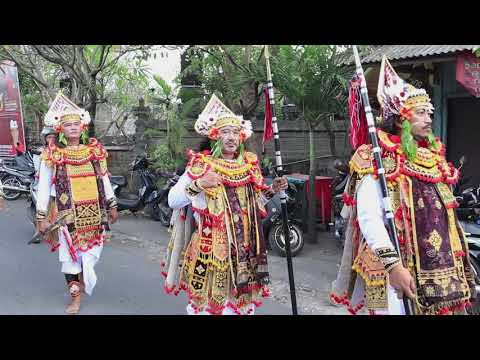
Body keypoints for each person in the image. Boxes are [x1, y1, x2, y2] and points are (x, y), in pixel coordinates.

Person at [330, 57, 476, 315]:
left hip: (437, 269)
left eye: (430, 112)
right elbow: (369, 218)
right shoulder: (375, 157)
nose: (429, 118)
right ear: (400, 119)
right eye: (421, 112)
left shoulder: (432, 159)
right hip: (391, 267)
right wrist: (394, 266)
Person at [162, 94, 288, 315]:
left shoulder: (248, 167)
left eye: (235, 133)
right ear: (215, 136)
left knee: (240, 307)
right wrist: (200, 183)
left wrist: (271, 191)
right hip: (211, 251)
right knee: (209, 309)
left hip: (244, 250)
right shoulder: (202, 165)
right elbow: (173, 200)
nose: (231, 137)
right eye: (225, 132)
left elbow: (251, 206)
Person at [36, 92, 118, 314]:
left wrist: (112, 204)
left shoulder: (94, 152)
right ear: (61, 129)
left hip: (94, 214)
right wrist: (41, 217)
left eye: (76, 124)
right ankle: (75, 299)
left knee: (90, 255)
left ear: (82, 128)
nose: (73, 127)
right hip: (67, 215)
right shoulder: (53, 155)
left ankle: (81, 278)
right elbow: (43, 186)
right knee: (70, 257)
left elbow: (104, 178)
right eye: (68, 124)